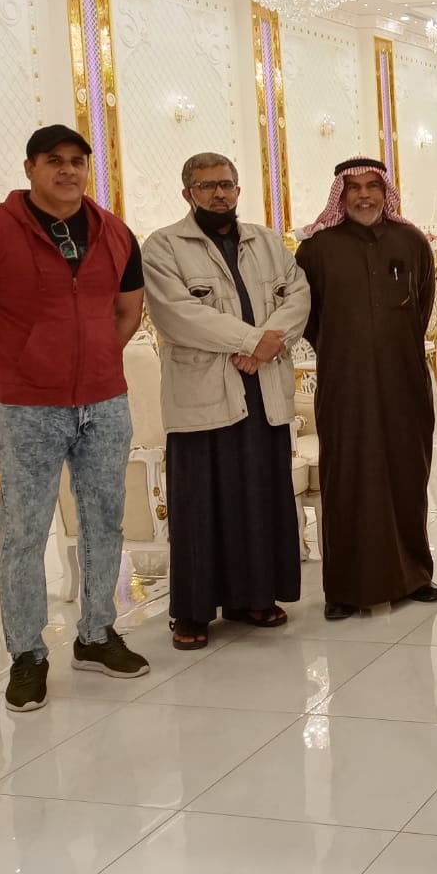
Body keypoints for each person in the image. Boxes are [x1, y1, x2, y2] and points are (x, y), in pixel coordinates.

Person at [0, 124, 150, 712]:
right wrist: (2, 378)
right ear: (30, 168)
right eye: (54, 160)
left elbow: (129, 310)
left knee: (104, 521)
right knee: (25, 533)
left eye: (78, 161)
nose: (68, 171)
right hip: (27, 409)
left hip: (105, 402)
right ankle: (27, 654)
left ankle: (97, 634)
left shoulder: (115, 232)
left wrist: (98, 361)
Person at [141, 153, 311, 649]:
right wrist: (251, 341)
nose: (219, 194)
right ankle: (193, 612)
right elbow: (177, 315)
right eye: (207, 186)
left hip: (263, 392)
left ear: (238, 190)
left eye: (227, 185)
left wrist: (268, 343)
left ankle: (253, 598)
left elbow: (298, 295)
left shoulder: (267, 242)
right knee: (200, 503)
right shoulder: (164, 246)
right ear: (187, 193)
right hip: (202, 396)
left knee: (259, 495)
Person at [295, 157, 437, 620]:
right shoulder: (317, 249)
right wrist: (347, 347)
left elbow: (422, 305)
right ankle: (344, 590)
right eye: (353, 187)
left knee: (407, 474)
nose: (363, 195)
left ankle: (414, 576)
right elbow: (308, 317)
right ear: (340, 195)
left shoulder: (411, 242)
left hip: (404, 382)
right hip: (345, 384)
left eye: (372, 186)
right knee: (348, 479)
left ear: (385, 192)